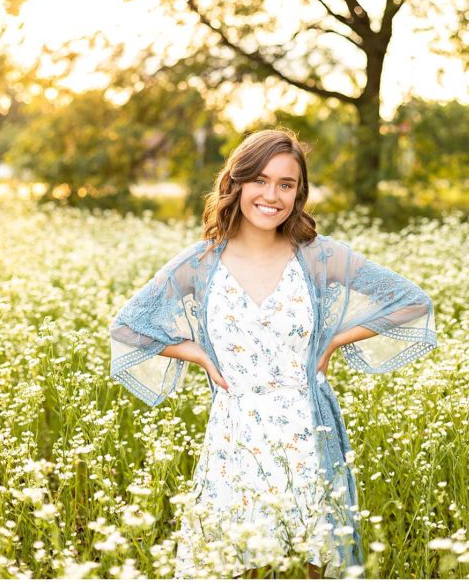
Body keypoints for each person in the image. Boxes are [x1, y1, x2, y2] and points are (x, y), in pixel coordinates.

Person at [109, 129, 435, 579]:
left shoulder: (319, 257)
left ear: (299, 193)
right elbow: (129, 326)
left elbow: (413, 302)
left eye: (286, 184)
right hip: (234, 435)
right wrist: (200, 355)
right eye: (259, 180)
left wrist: (335, 340)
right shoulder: (201, 262)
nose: (272, 195)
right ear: (235, 184)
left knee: (312, 563)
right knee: (227, 565)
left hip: (305, 430)